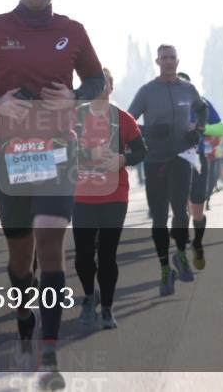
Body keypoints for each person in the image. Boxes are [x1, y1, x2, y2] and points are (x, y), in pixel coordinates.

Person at [0, 0, 105, 390]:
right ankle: (23, 312)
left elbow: (95, 83)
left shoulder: (73, 32)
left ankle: (49, 353)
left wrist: (72, 99)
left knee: (51, 246)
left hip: (57, 151)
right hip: (8, 154)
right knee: (21, 258)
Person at [128, 46, 207, 295]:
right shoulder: (147, 91)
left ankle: (181, 255)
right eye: (165, 58)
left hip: (182, 156)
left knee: (181, 212)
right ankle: (165, 268)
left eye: (173, 57)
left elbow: (202, 108)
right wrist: (149, 132)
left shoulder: (187, 88)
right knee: (160, 218)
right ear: (158, 61)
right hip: (156, 160)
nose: (169, 62)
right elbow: (129, 121)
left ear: (178, 61)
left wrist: (199, 130)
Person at [71, 68, 145, 329]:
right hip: (82, 195)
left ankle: (108, 309)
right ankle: (90, 296)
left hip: (115, 195)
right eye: (95, 82)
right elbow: (62, 148)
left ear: (111, 87)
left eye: (105, 83)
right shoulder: (74, 118)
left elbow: (140, 151)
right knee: (82, 256)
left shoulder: (123, 119)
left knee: (107, 254)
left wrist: (123, 159)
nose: (101, 87)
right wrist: (90, 153)